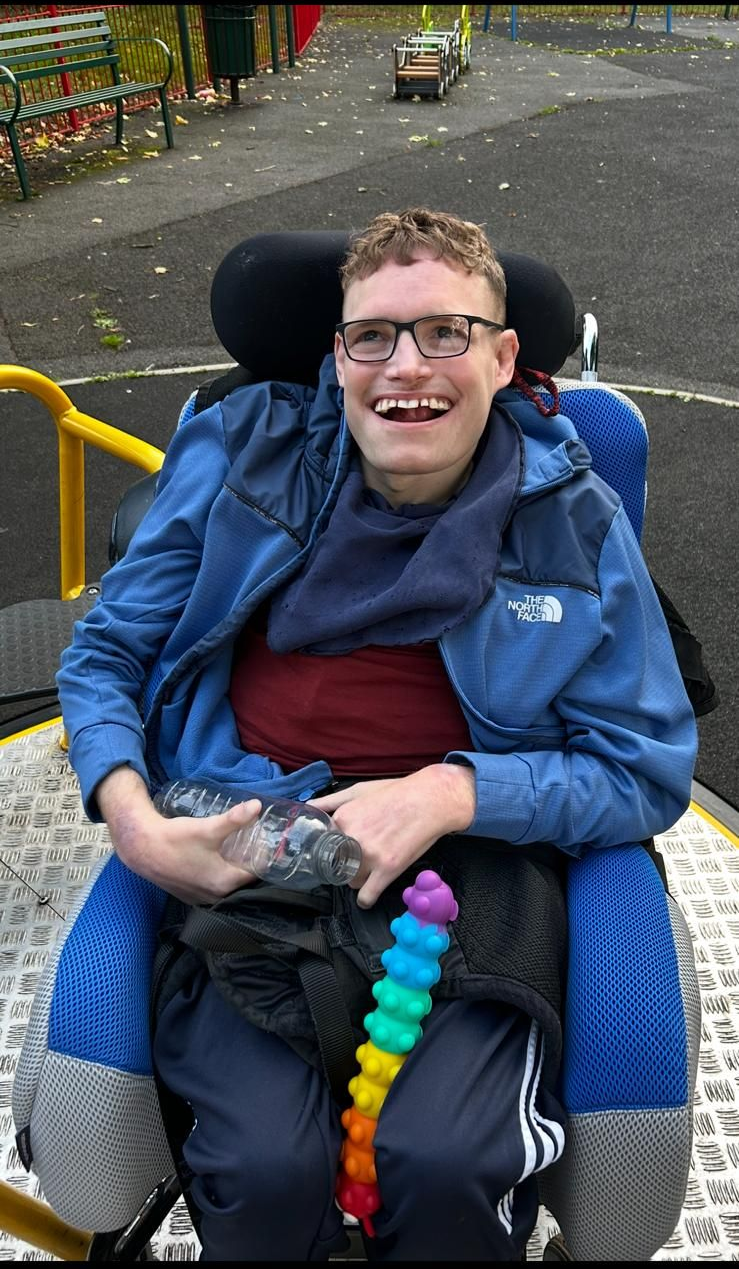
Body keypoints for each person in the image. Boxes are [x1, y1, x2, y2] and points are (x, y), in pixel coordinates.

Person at [57, 208, 697, 1262]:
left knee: (441, 1166)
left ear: (500, 358)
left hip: (478, 861)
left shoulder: (571, 517)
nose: (406, 365)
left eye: (444, 333)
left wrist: (450, 793)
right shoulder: (241, 456)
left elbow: (641, 766)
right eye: (373, 337)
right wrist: (129, 816)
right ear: (336, 357)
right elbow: (109, 651)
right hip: (252, 837)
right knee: (264, 1174)